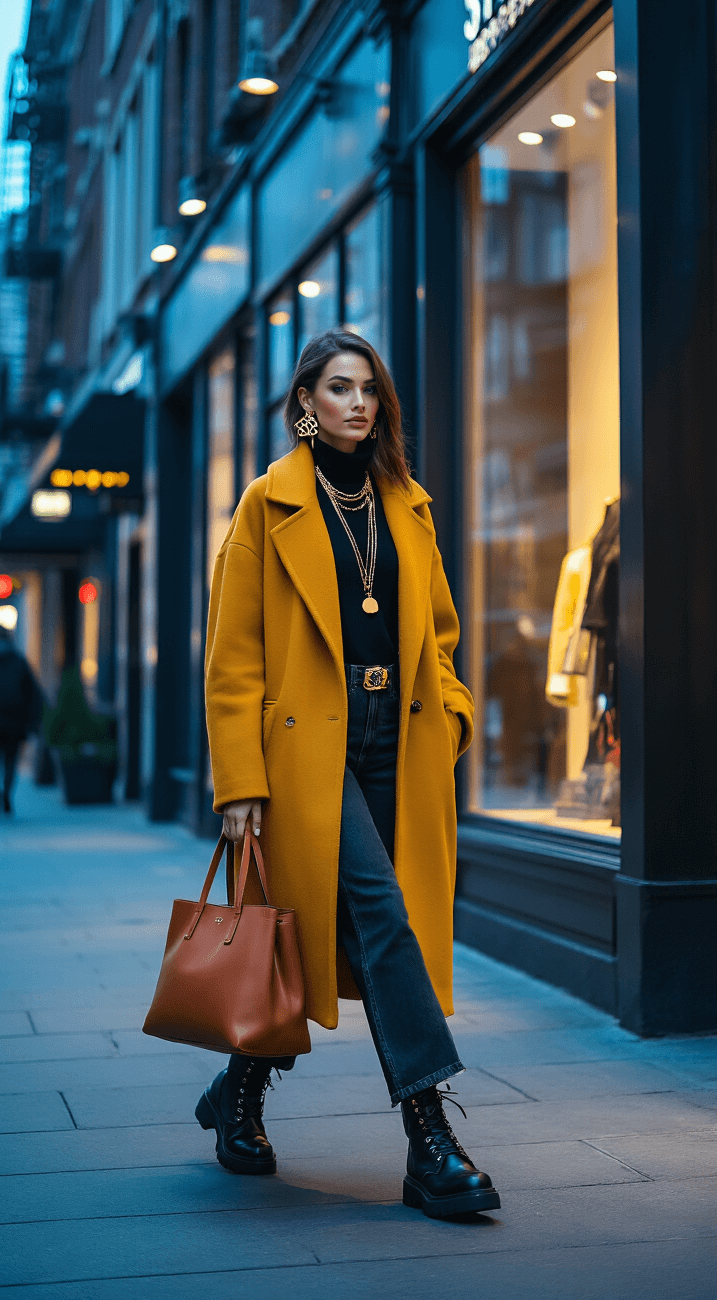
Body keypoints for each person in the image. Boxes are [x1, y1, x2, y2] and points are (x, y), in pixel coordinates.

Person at [198, 329, 500, 1220]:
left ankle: (237, 1092)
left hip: (395, 738)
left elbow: (439, 631)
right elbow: (233, 659)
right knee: (380, 909)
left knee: (322, 927)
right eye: (339, 388)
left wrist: (452, 714)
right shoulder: (269, 504)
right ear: (306, 402)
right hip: (305, 748)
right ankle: (429, 1135)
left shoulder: (406, 503)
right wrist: (239, 783)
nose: (358, 403)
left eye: (369, 388)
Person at [0, 627, 43, 816]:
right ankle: (7, 797)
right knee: (10, 761)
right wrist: (33, 721)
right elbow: (33, 693)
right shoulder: (18, 660)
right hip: (14, 722)